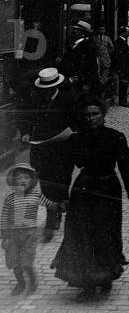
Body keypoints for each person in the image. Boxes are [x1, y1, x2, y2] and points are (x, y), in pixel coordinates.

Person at [51, 98, 129, 299]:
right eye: (87, 115)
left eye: (95, 114)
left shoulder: (116, 137)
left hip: (108, 189)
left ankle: (106, 276)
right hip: (84, 188)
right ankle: (87, 284)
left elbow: (126, 165)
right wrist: (62, 195)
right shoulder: (76, 139)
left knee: (105, 233)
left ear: (103, 114)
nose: (91, 119)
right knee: (82, 234)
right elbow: (65, 168)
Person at [17, 68, 77, 241]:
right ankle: (52, 220)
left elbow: (76, 121)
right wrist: (25, 131)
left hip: (63, 148)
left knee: (63, 180)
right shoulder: (36, 98)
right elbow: (27, 117)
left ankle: (59, 206)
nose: (47, 91)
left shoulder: (68, 99)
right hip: (41, 148)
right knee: (46, 183)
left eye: (50, 88)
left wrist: (72, 132)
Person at [3, 163, 62, 296]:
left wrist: (60, 206)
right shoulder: (10, 199)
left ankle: (33, 282)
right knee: (15, 263)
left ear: (31, 180)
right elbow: (4, 218)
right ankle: (21, 283)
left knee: (27, 262)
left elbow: (50, 204)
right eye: (19, 178)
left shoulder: (36, 196)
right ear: (13, 181)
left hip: (30, 234)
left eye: (26, 178)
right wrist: (5, 237)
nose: (23, 180)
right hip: (13, 234)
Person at [60, 20, 100, 95]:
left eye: (77, 30)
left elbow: (91, 66)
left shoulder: (87, 46)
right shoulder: (75, 44)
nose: (74, 32)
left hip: (82, 81)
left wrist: (87, 83)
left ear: (83, 33)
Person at [111, 27, 129, 107]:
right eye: (127, 31)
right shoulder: (119, 42)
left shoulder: (123, 41)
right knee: (123, 84)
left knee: (125, 84)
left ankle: (124, 100)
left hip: (125, 66)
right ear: (123, 33)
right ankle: (122, 101)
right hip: (122, 67)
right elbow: (118, 56)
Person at [95, 25, 114, 96]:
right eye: (100, 29)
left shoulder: (107, 38)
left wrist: (106, 52)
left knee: (105, 74)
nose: (101, 31)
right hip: (97, 58)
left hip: (105, 58)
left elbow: (112, 47)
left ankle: (104, 92)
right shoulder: (95, 38)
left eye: (103, 29)